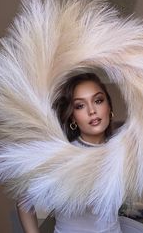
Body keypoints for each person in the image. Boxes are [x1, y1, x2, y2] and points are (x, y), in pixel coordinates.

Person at [17, 72, 122, 233]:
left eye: (98, 100)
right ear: (73, 117)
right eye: (80, 105)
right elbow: (24, 201)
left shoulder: (121, 154)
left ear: (109, 107)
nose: (92, 110)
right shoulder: (62, 155)